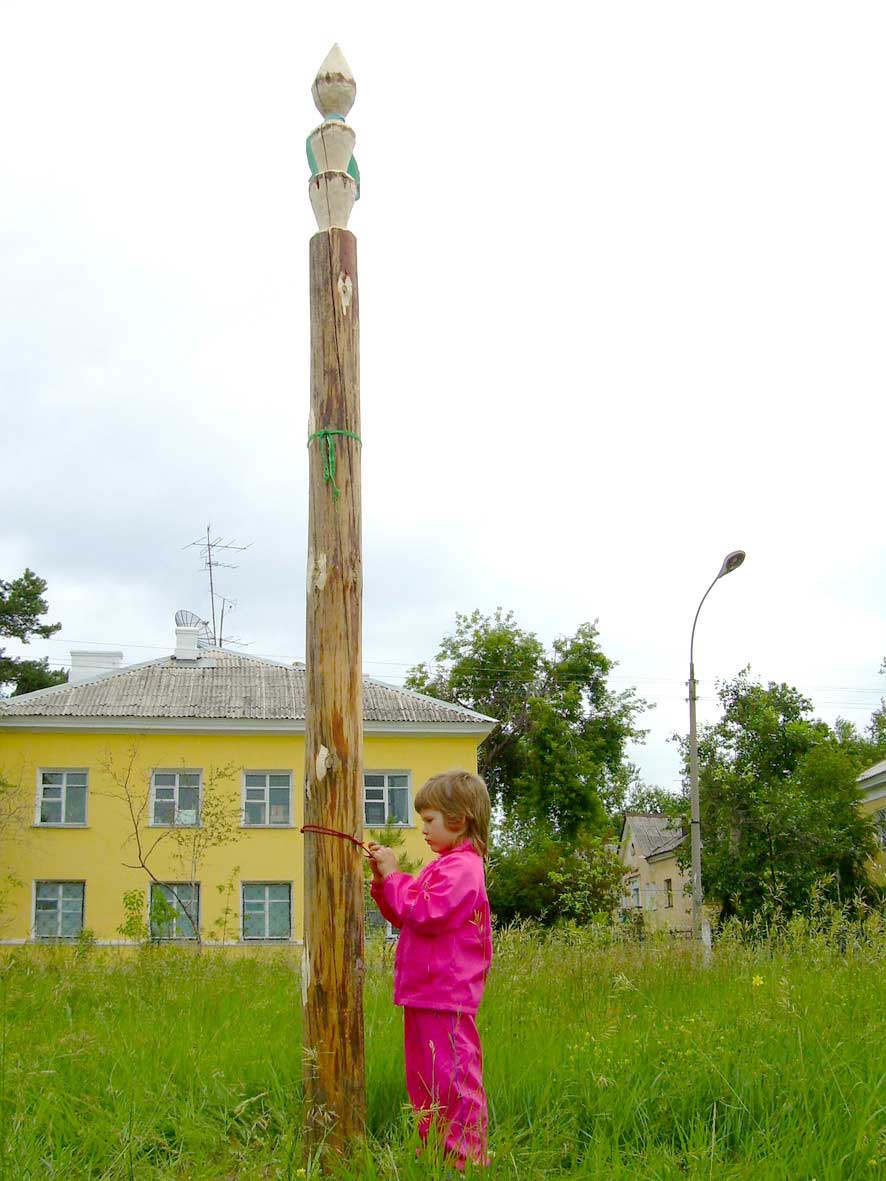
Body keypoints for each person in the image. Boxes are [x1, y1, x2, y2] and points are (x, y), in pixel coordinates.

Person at [368, 769, 493, 1172]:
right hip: (426, 992)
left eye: (429, 819)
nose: (423, 828)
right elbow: (404, 914)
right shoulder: (444, 866)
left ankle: (464, 1160)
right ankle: (436, 1152)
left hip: (446, 994)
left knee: (453, 1078)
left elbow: (424, 912)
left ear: (459, 819)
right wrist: (383, 881)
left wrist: (394, 875)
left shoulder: (463, 869)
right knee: (426, 1080)